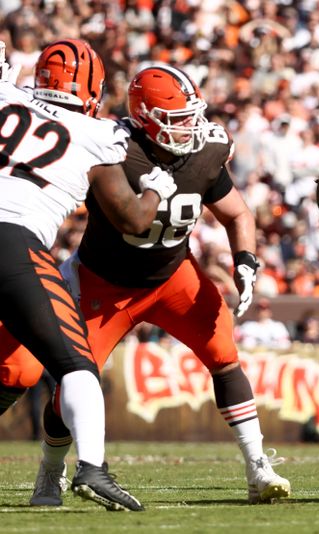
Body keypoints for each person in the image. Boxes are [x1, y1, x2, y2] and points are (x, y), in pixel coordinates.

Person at [0, 64, 290, 505]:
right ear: (144, 118)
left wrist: (246, 260)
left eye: (192, 116)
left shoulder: (207, 148)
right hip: (105, 284)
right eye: (176, 120)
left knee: (225, 354)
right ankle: (51, 472)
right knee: (72, 380)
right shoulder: (110, 145)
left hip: (173, 273)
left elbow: (237, 213)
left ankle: (257, 466)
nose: (189, 128)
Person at [0, 39, 179, 511]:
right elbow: (133, 221)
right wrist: (156, 191)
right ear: (94, 88)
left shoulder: (6, 97)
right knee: (76, 367)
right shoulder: (94, 133)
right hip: (14, 244)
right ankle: (92, 470)